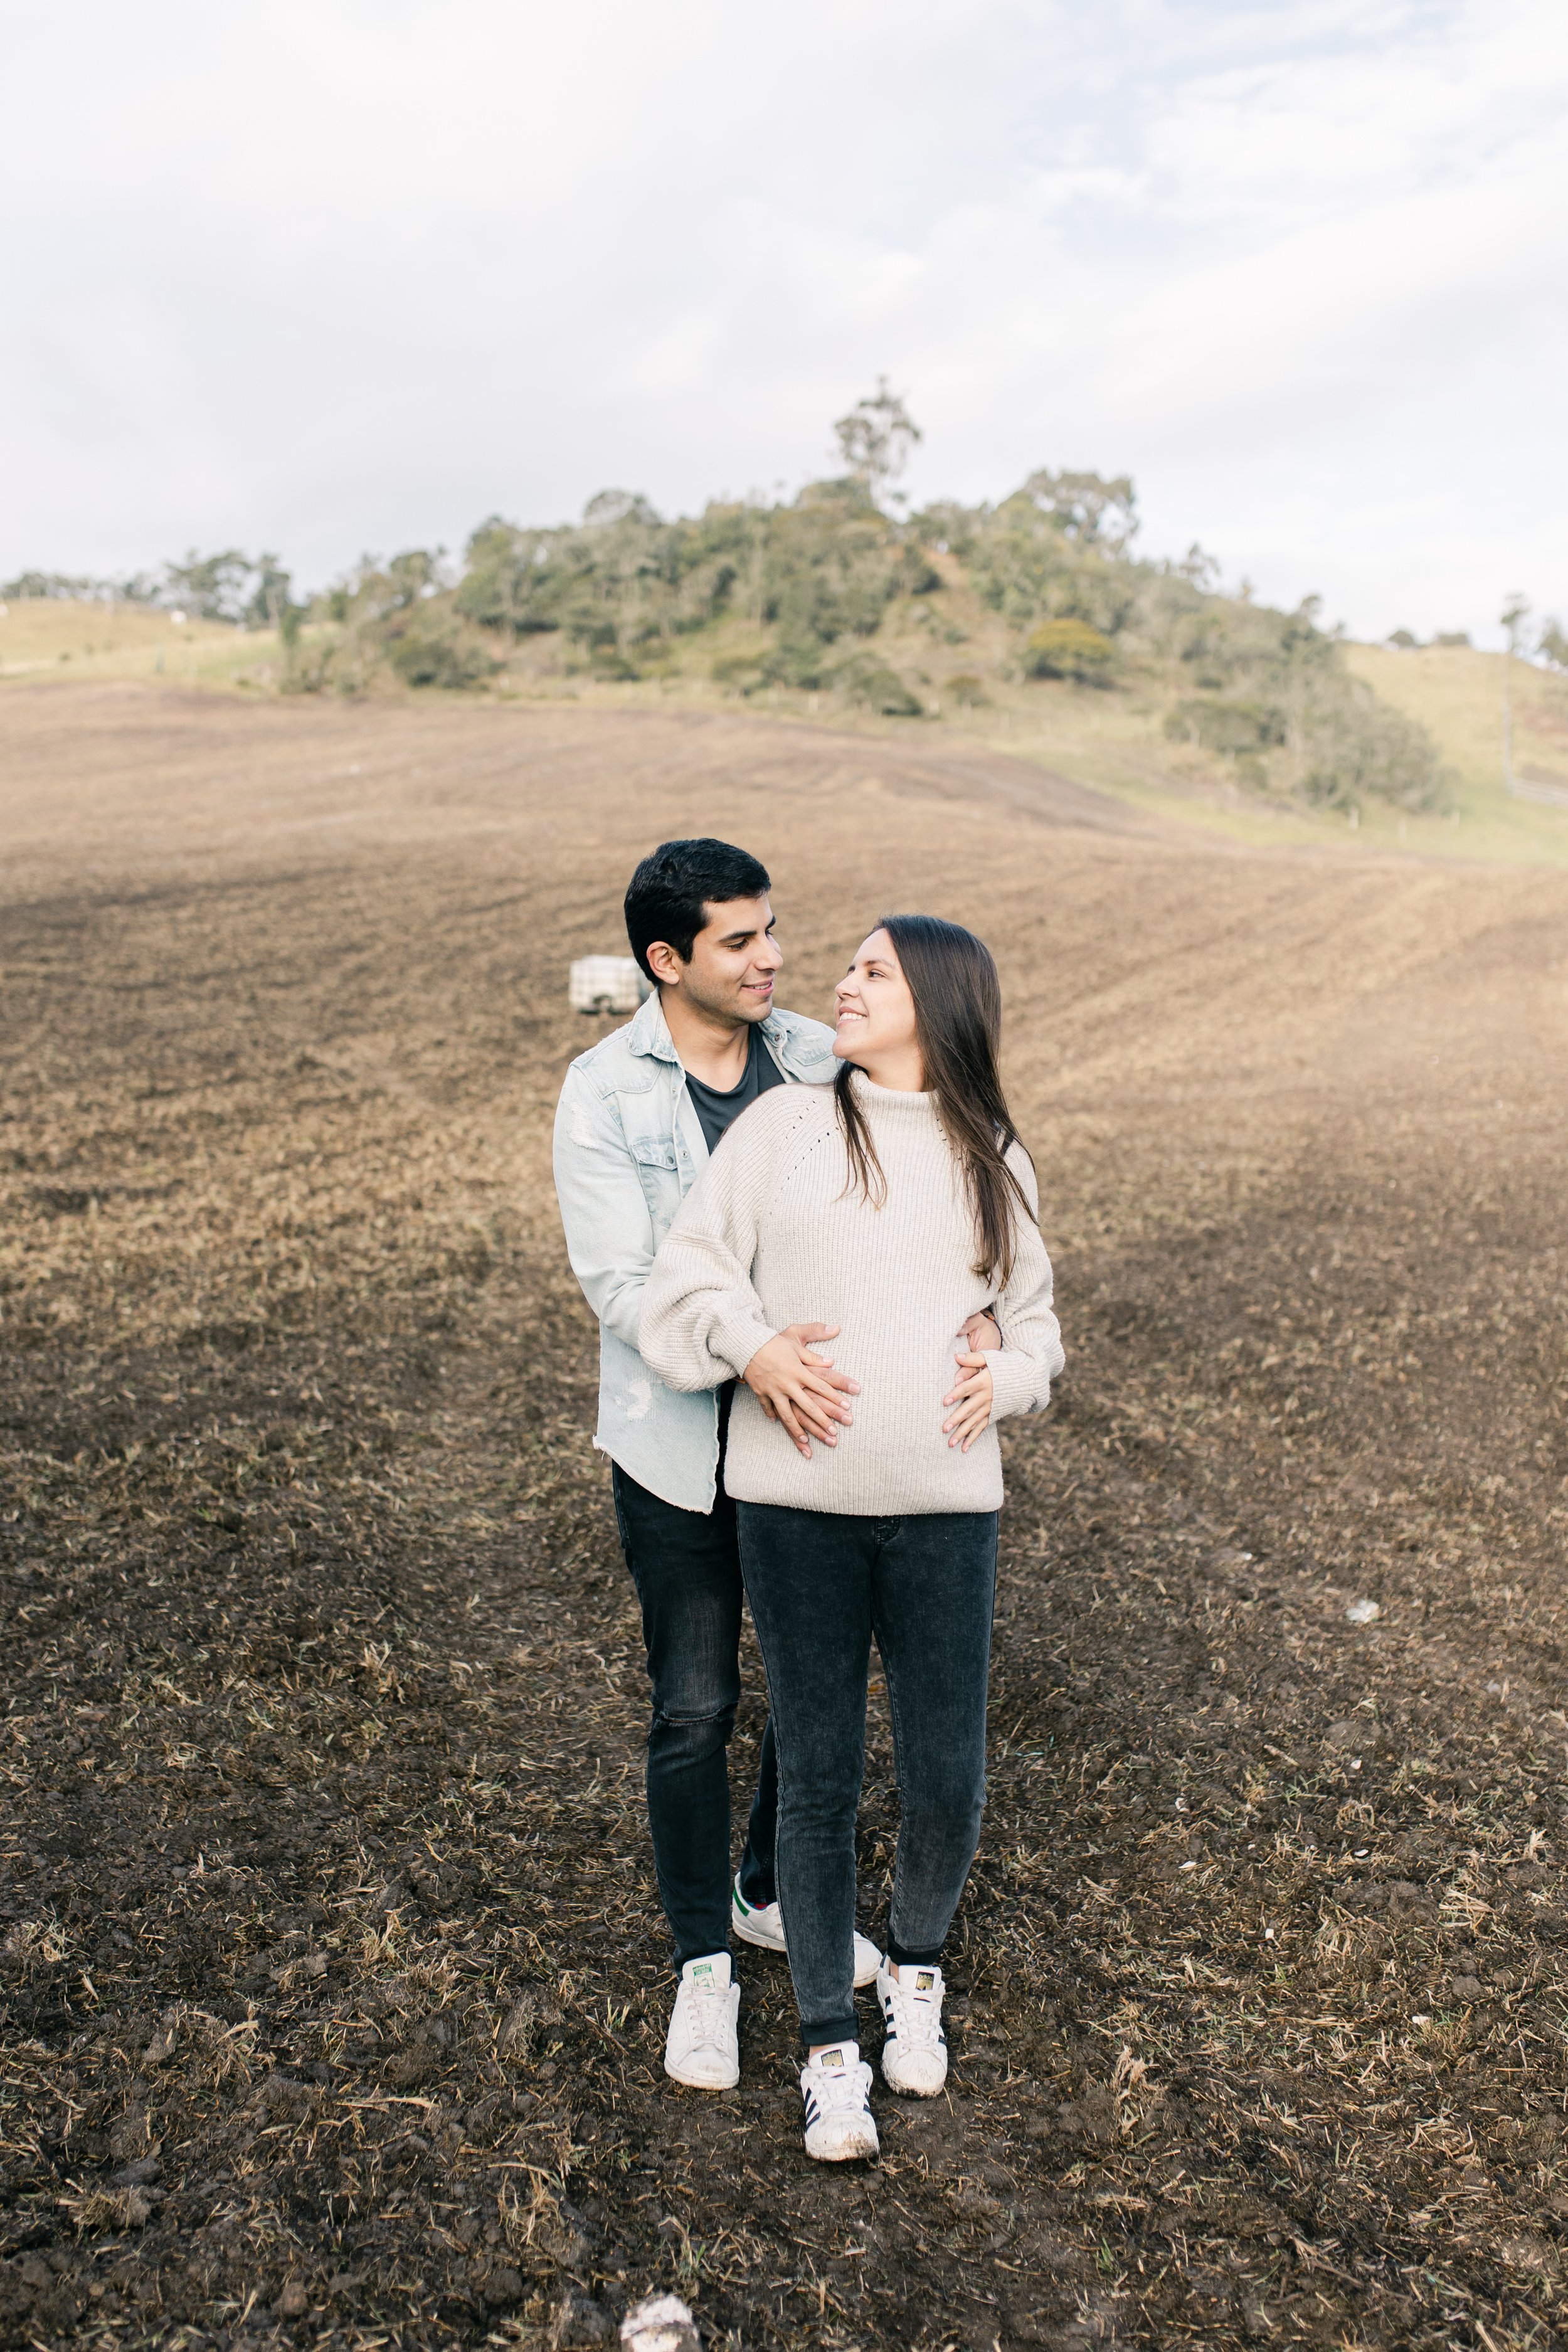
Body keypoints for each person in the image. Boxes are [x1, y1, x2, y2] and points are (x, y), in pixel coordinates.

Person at [553, 844, 999, 2094]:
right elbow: (620, 1286)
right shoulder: (604, 1093)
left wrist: (978, 1325)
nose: (771, 961)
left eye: (771, 933)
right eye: (739, 943)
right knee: (696, 1702)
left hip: (818, 1456)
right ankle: (703, 1964)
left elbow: (928, 1179)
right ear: (665, 961)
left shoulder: (815, 1053)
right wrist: (751, 1347)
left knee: (814, 1698)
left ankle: (761, 1891)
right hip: (675, 1445)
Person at [640, 914, 1063, 2160]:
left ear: (938, 1001)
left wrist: (1011, 1378)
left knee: (944, 1771)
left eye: (872, 970)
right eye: (850, 964)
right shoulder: (782, 1131)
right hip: (797, 1515)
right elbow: (686, 1280)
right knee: (815, 1780)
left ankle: (916, 1974)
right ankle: (831, 2049)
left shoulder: (989, 1151)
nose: (842, 979)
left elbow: (1033, 1324)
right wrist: (755, 1347)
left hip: (944, 1515)